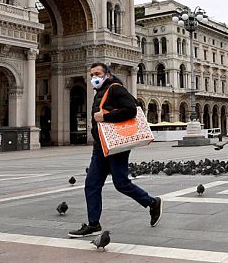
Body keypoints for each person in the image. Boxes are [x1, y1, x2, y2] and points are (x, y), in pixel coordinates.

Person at [68, 62, 162, 238]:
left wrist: (106, 116)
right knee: (92, 184)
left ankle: (152, 202)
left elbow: (131, 110)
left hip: (116, 145)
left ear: (108, 75)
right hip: (100, 146)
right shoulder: (100, 92)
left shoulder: (115, 89)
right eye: (92, 75)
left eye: (97, 74)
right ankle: (93, 224)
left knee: (121, 183)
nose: (94, 77)